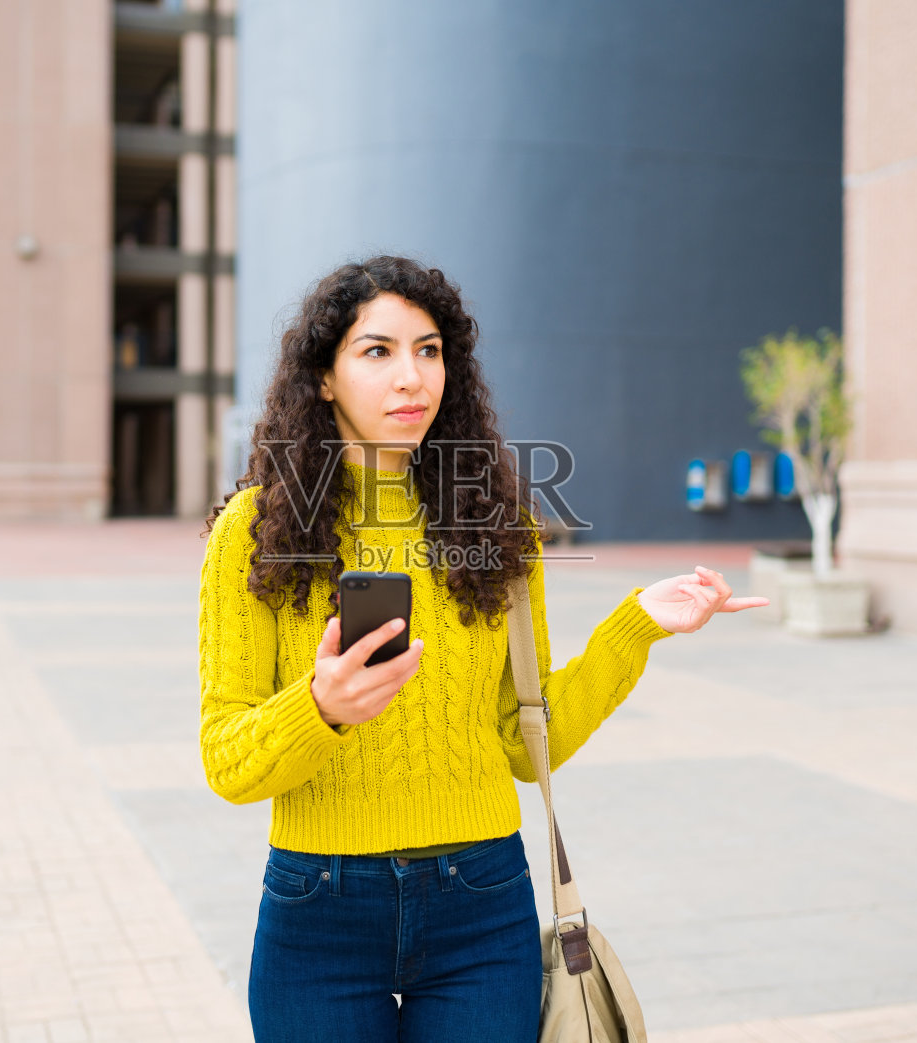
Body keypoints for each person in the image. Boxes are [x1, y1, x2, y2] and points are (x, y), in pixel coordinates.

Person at [198, 255, 768, 1041]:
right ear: (322, 377)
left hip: (480, 900)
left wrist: (632, 626)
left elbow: (524, 743)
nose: (412, 377)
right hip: (318, 908)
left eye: (429, 350)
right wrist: (320, 707)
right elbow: (227, 759)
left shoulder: (496, 521)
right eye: (378, 351)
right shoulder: (256, 530)